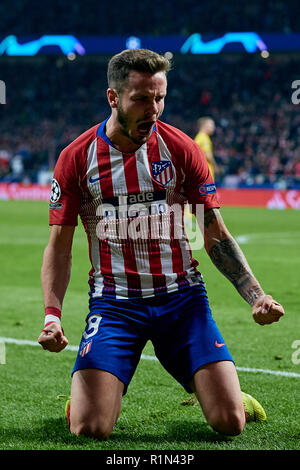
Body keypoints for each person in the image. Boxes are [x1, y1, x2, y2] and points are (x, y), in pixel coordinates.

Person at [38, 49, 284, 440]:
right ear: (113, 98)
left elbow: (215, 232)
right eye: (141, 98)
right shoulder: (76, 158)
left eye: (160, 97)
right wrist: (52, 316)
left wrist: (255, 295)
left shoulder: (181, 148)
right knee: (89, 427)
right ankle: (89, 399)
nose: (153, 109)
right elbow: (60, 247)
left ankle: (222, 392)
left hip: (182, 301)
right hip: (115, 305)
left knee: (229, 423)